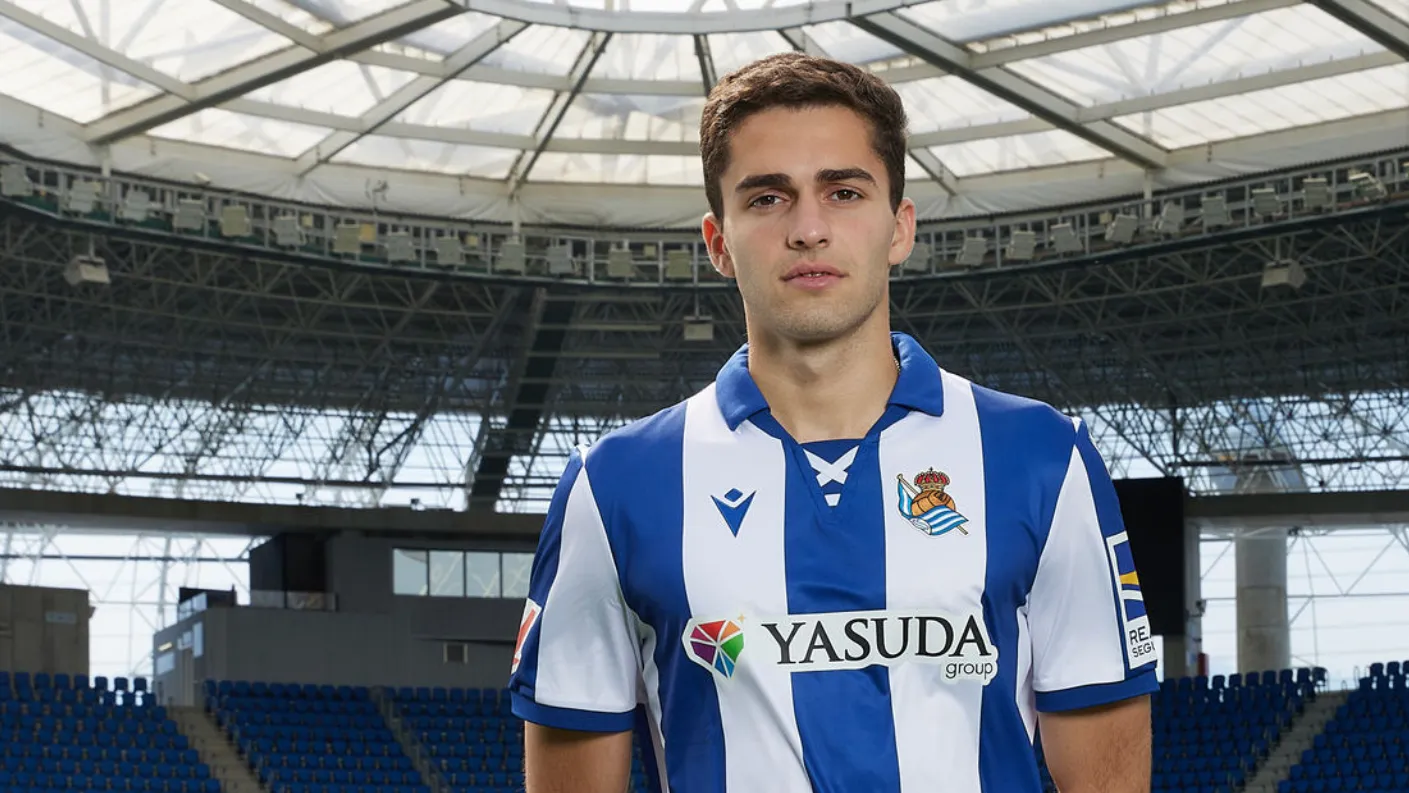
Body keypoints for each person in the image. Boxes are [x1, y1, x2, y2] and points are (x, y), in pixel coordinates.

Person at [507, 52, 1157, 792]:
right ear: (718, 243)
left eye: (843, 192)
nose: (808, 228)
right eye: (767, 198)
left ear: (899, 228)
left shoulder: (1040, 456)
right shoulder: (615, 486)